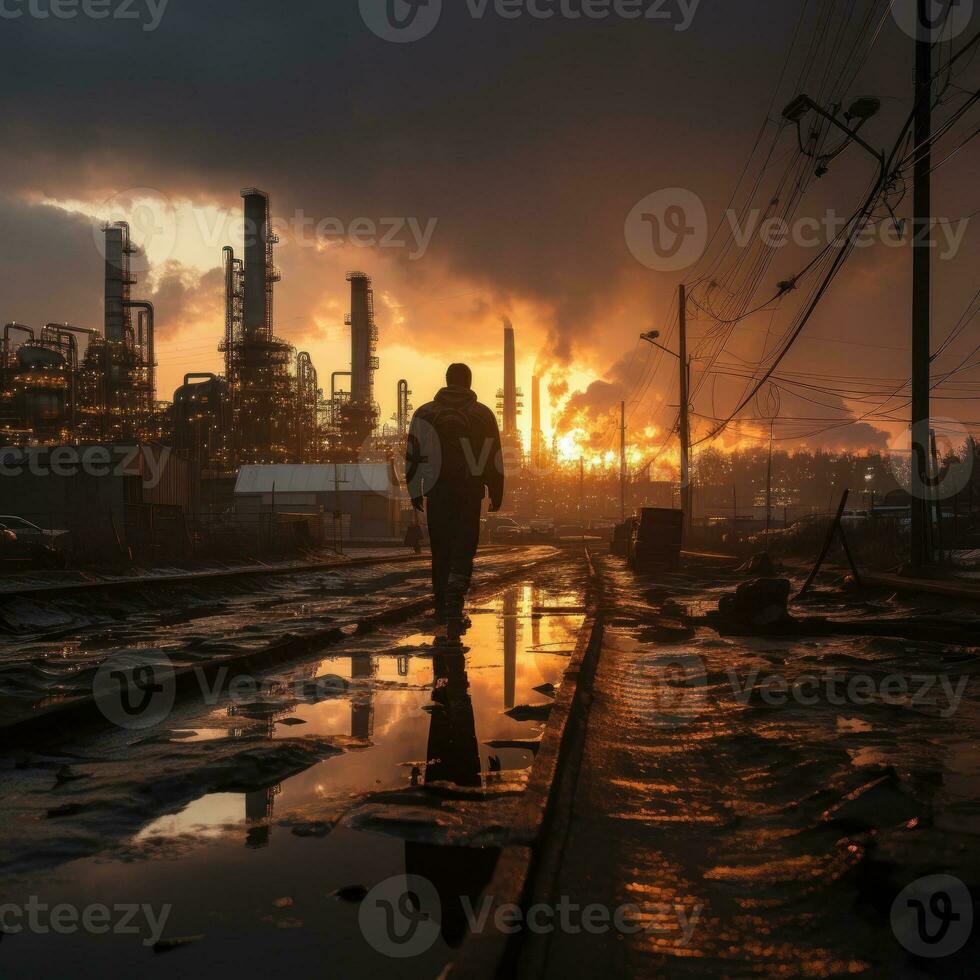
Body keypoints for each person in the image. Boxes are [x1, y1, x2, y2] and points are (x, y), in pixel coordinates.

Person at [406, 363, 504, 641]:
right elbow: (494, 454)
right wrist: (496, 490)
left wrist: (415, 489)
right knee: (464, 548)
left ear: (446, 380)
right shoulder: (482, 414)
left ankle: (439, 606)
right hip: (470, 492)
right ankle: (454, 606)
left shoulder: (425, 413)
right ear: (469, 382)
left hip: (437, 491)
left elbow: (413, 453)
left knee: (441, 550)